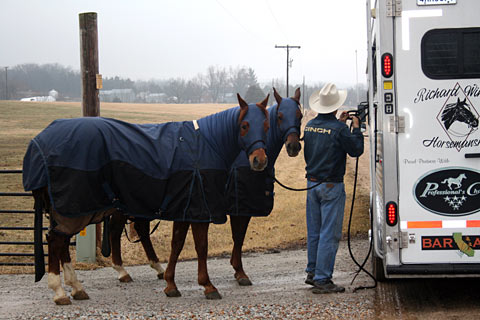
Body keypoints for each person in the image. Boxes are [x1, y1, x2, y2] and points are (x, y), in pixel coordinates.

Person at [303, 83, 364, 294]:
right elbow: (356, 150)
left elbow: (323, 137)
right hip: (331, 186)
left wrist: (340, 123)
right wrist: (356, 127)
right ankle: (322, 278)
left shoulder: (309, 125)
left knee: (315, 231)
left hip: (312, 184)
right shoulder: (339, 130)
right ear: (335, 106)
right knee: (329, 233)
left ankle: (312, 271)